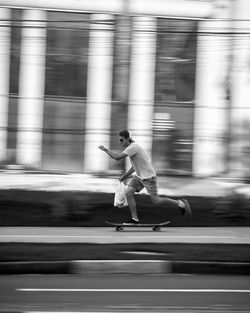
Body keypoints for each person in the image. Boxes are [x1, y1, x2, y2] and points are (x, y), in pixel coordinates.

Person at [99, 130, 192, 224]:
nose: (120, 142)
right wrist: (125, 176)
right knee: (128, 193)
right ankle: (135, 219)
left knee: (156, 200)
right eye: (119, 140)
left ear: (127, 139)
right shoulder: (131, 149)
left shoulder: (133, 147)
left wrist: (105, 150)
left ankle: (181, 204)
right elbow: (134, 167)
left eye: (121, 140)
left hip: (149, 178)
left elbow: (117, 158)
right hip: (139, 177)